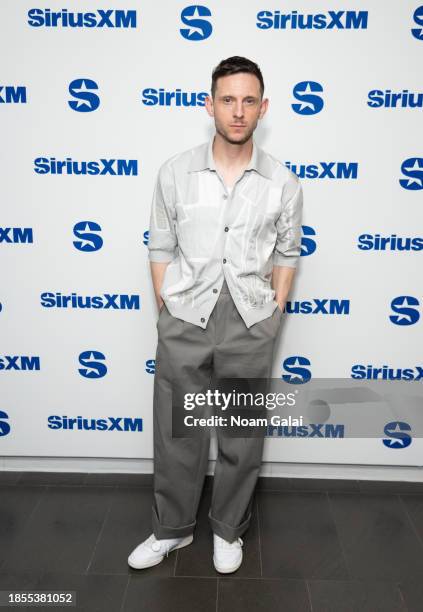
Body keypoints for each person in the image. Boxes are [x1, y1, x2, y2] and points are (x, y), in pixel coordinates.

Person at [128, 56, 303, 574]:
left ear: (263, 108)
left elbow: (288, 253)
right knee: (177, 431)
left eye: (249, 100)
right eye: (227, 99)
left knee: (240, 434)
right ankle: (172, 530)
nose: (238, 110)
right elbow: (160, 245)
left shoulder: (282, 182)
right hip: (185, 315)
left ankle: (228, 530)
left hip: (250, 319)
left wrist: (274, 311)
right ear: (210, 105)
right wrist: (167, 308)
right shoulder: (175, 172)